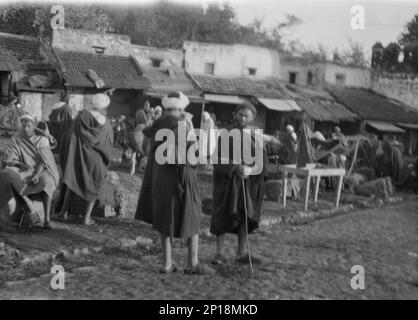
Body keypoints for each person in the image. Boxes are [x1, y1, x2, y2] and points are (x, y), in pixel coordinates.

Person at [135, 91, 214, 275]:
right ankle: (192, 262)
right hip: (181, 178)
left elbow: (146, 149)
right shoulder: (180, 126)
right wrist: (190, 128)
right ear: (180, 109)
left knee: (164, 220)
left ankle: (167, 263)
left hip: (160, 179)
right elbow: (192, 156)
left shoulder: (156, 126)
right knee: (192, 216)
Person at [210, 102, 267, 265]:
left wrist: (251, 170)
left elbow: (262, 162)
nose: (243, 118)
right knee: (222, 215)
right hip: (227, 183)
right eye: (240, 114)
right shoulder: (226, 133)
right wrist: (235, 167)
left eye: (246, 115)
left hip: (247, 184)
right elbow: (217, 159)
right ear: (235, 115)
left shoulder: (257, 136)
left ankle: (242, 251)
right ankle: (219, 253)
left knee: (244, 216)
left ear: (252, 117)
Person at [57, 93, 113, 225]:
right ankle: (86, 218)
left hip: (79, 157)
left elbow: (71, 136)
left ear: (93, 104)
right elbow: (108, 144)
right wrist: (106, 160)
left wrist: (71, 153)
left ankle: (63, 213)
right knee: (94, 186)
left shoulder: (81, 117)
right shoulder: (107, 124)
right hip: (96, 161)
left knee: (72, 182)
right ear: (104, 106)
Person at [0, 115, 59, 229]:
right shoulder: (17, 138)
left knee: (47, 180)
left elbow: (45, 161)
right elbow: (10, 155)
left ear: (34, 126)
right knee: (6, 173)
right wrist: (16, 162)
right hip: (23, 170)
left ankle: (46, 220)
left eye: (29, 126)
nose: (26, 129)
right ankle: (27, 204)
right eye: (23, 126)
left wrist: (36, 175)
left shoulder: (42, 140)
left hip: (40, 171)